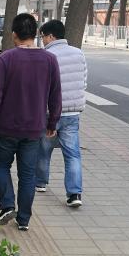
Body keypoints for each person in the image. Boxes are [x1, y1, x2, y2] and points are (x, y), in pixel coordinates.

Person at [0, 13, 62, 231]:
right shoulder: (49, 60)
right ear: (35, 33)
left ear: (14, 34)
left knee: (1, 165)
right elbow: (56, 95)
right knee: (28, 174)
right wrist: (52, 123)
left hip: (7, 127)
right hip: (34, 129)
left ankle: (7, 205)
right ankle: (24, 219)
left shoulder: (6, 58)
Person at [35, 19, 87, 207]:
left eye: (43, 37)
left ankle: (40, 182)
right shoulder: (79, 53)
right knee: (72, 154)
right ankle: (74, 194)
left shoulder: (46, 56)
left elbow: (40, 86)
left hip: (51, 112)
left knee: (43, 148)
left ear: (50, 36)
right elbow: (83, 81)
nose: (42, 40)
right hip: (72, 113)